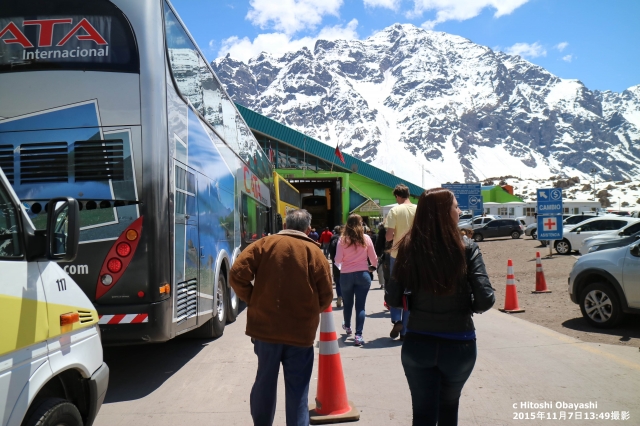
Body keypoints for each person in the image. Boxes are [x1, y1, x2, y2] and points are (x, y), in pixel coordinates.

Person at [389, 188, 495, 425]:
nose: (459, 211)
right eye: (456, 207)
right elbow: (485, 299)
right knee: (449, 408)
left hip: (418, 343)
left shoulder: (408, 247)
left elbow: (393, 297)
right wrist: (466, 305)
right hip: (459, 343)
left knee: (423, 414)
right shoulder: (466, 248)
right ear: (444, 213)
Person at [229, 209, 333, 426]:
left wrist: (254, 300)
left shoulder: (263, 245)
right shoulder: (314, 252)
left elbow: (237, 275)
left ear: (285, 223)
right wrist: (309, 313)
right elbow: (326, 296)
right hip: (300, 334)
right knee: (298, 389)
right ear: (307, 228)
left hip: (265, 331)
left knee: (264, 382)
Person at [334, 214, 377, 346]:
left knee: (348, 303)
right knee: (361, 306)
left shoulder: (342, 240)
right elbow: (374, 257)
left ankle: (347, 326)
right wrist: (373, 267)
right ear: (361, 224)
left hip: (346, 275)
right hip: (363, 274)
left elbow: (337, 259)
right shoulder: (366, 238)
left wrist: (344, 266)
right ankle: (358, 335)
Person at [385, 184, 417, 340]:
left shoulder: (394, 211)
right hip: (415, 255)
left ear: (397, 196)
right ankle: (405, 331)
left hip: (397, 255)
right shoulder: (418, 210)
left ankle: (396, 319)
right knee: (410, 292)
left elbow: (389, 237)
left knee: (395, 288)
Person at [328, 225, 344, 307]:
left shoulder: (333, 238)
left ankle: (339, 296)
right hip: (345, 263)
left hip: (336, 262)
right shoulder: (345, 238)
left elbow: (330, 249)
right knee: (345, 282)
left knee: (337, 281)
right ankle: (345, 299)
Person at [374, 223, 387, 288]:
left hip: (382, 253)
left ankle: (382, 283)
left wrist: (377, 254)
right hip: (390, 252)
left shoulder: (381, 233)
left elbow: (378, 244)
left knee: (380, 268)